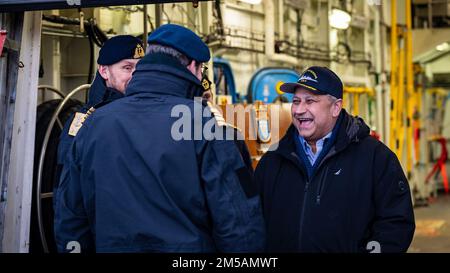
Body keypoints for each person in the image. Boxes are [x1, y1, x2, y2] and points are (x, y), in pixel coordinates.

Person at [54, 24, 265, 253]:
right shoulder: (203, 124)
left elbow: (70, 215)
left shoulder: (94, 124)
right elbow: (238, 222)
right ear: (194, 66)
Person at [255, 66, 415, 253]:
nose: (299, 110)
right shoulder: (273, 161)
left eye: (310, 101)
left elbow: (396, 224)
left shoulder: (376, 159)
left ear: (335, 107)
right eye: (296, 101)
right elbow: (252, 222)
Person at [54, 34, 144, 202]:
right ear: (104, 71)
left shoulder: (147, 113)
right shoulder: (85, 121)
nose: (136, 75)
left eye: (140, 68)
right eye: (127, 68)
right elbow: (67, 191)